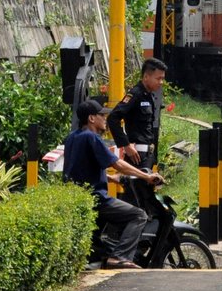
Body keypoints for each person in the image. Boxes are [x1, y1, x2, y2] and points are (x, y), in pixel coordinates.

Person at [63, 98, 164, 269]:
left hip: (79, 196)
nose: (105, 119)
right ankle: (119, 257)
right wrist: (145, 176)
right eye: (102, 115)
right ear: (91, 118)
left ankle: (107, 254)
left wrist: (111, 178)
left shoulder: (72, 137)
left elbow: (80, 168)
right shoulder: (92, 137)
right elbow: (116, 163)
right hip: (96, 198)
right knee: (138, 215)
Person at [107, 58, 167, 168]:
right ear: (146, 77)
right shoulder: (135, 95)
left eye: (162, 79)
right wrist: (126, 145)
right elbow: (113, 118)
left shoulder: (149, 96)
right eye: (158, 79)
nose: (161, 82)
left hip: (148, 154)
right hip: (137, 156)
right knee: (138, 184)